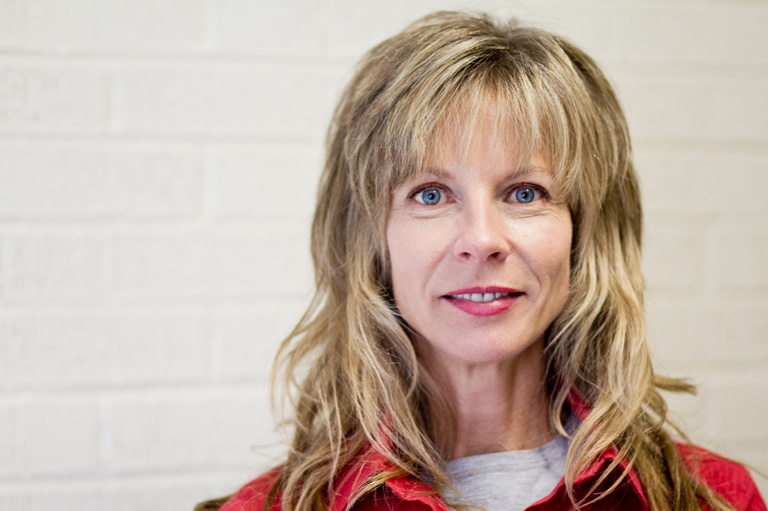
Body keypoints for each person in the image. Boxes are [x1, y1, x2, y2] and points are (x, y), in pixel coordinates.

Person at [197, 11, 766, 511]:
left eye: (524, 192)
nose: (482, 238)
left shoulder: (716, 499)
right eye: (430, 195)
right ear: (372, 239)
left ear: (583, 233)